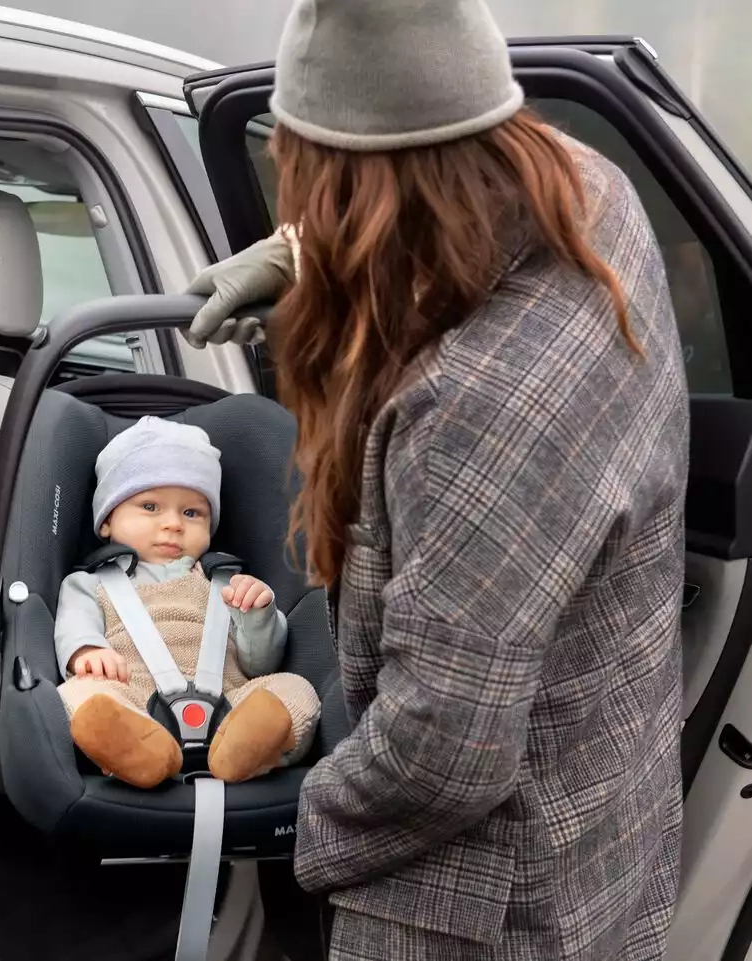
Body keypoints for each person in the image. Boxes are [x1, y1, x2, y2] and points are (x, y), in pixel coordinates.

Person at [183, 0, 688, 958]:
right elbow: (440, 190)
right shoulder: (597, 197)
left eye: (301, 174)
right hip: (600, 819)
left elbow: (439, 756)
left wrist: (305, 807)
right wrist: (299, 254)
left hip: (484, 912)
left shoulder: (472, 410)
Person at [53, 416, 321, 788]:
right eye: (150, 507)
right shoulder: (90, 583)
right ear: (107, 522)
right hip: (132, 694)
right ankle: (137, 749)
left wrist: (258, 615)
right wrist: (86, 651)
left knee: (294, 688)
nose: (173, 524)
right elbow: (73, 624)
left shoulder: (226, 582)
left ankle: (247, 747)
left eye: (191, 513)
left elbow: (260, 664)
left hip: (229, 699)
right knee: (78, 694)